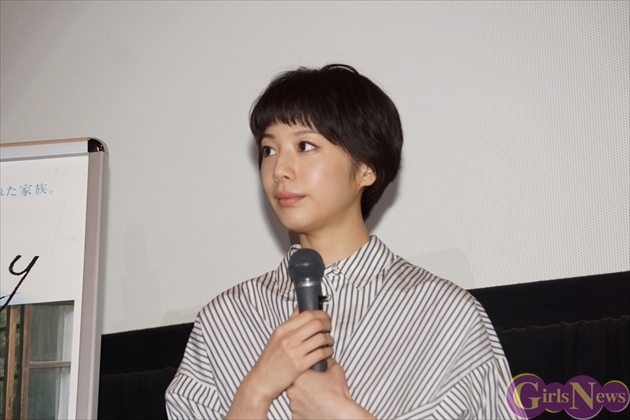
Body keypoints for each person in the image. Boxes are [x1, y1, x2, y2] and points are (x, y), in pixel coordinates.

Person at [165, 64, 517, 419]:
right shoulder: (224, 321)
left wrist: (340, 413)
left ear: (367, 167)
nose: (279, 170)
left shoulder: (446, 316)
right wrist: (255, 392)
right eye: (269, 150)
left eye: (304, 146)